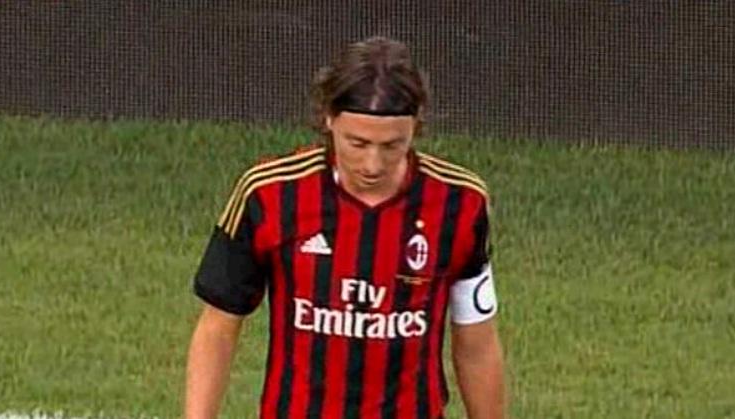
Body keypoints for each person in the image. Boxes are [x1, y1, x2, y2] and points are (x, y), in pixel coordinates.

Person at [184, 36, 505, 419]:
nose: (372, 164)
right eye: (357, 143)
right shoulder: (269, 194)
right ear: (328, 118)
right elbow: (218, 326)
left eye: (392, 145)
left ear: (416, 126)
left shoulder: (461, 203)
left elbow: (476, 341)